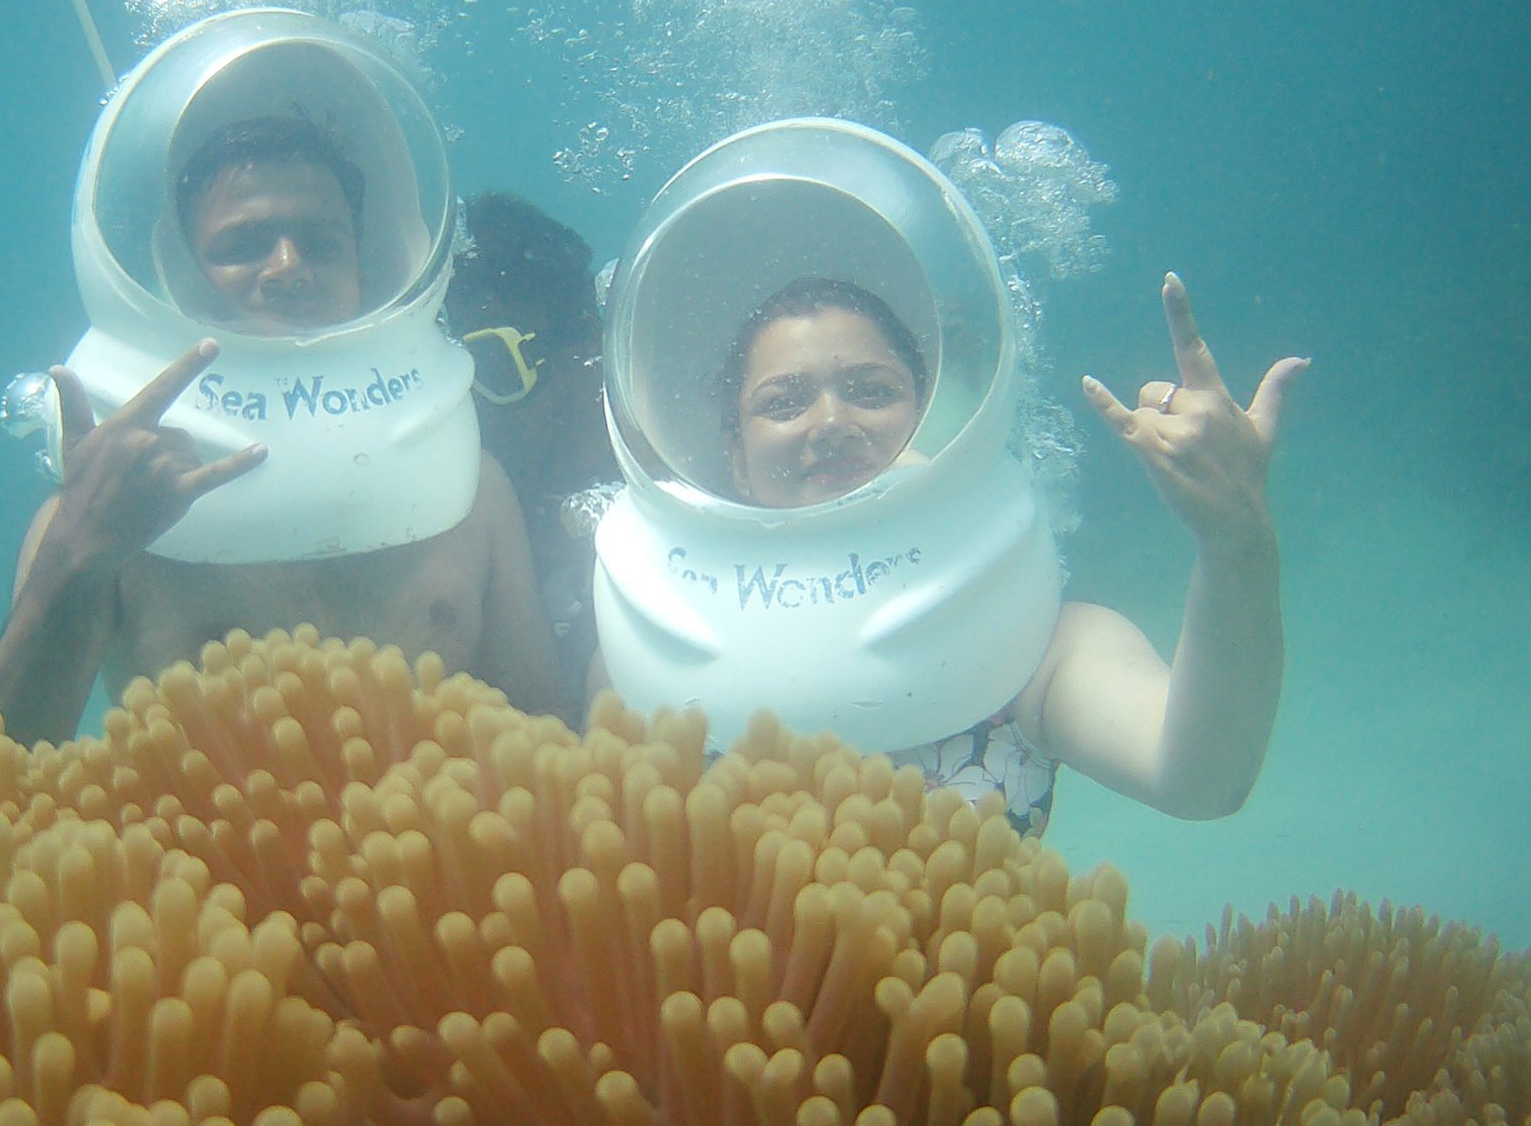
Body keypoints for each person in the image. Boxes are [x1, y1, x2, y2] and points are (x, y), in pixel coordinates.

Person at [0, 110, 560, 742]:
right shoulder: (111, 498)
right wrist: (82, 550)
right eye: (243, 245)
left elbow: (550, 754)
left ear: (365, 270)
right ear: (178, 273)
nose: (287, 265)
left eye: (322, 243)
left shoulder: (472, 488)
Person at [715, 274, 1305, 829]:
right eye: (784, 402)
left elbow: (1201, 781)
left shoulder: (1031, 640)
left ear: (925, 427)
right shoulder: (654, 623)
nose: (833, 421)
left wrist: (1236, 538)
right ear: (737, 460)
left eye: (871, 390)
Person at [445, 192, 617, 715]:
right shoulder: (454, 502)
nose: (470, 404)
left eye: (492, 368)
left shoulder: (668, 458)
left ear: (588, 346)